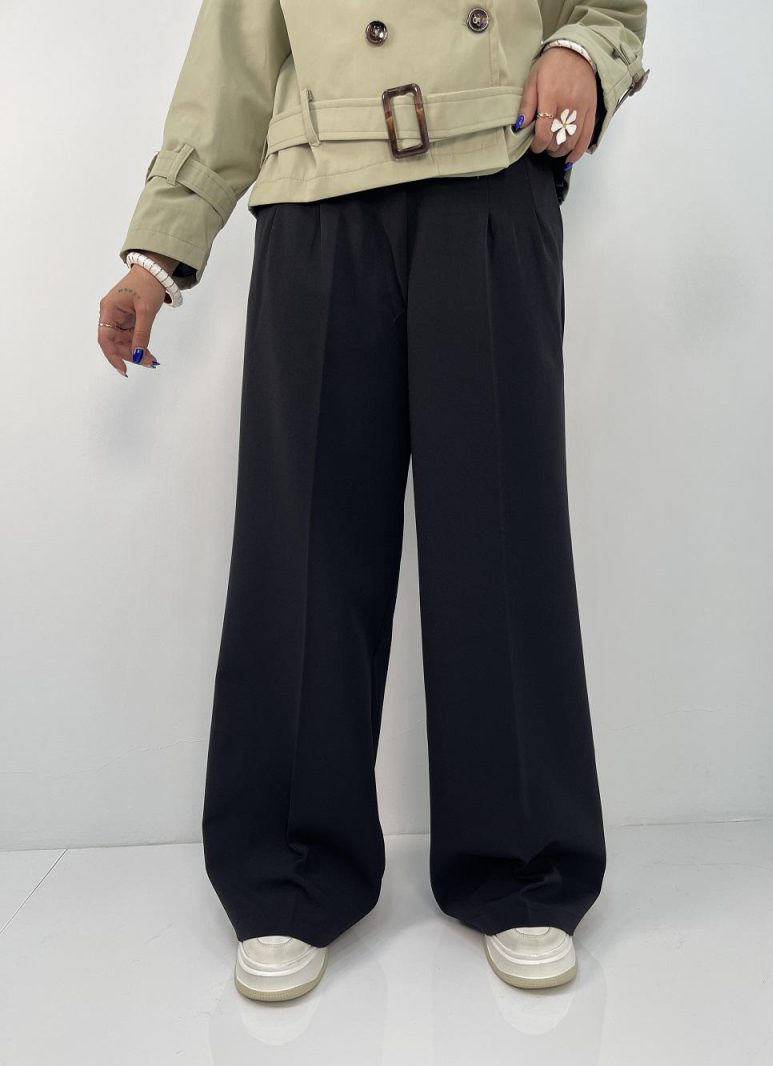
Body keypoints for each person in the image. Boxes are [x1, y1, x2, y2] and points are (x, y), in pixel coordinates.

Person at [97, 0, 649, 1001]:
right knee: (301, 548)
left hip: (490, 177)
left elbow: (607, 10)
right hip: (317, 197)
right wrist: (155, 254)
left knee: (500, 541)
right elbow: (230, 61)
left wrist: (581, 53)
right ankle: (289, 871)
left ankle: (522, 864)